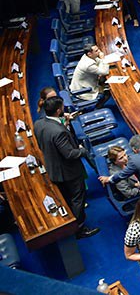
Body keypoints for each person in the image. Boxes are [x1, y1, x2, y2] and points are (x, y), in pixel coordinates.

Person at [33, 96, 100, 239]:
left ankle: (72, 223)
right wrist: (82, 150)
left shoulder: (39, 123)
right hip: (69, 172)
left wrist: (66, 123)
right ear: (58, 110)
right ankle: (79, 228)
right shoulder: (59, 132)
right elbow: (70, 154)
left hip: (53, 168)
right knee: (77, 199)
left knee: (68, 199)